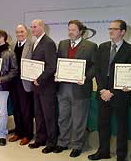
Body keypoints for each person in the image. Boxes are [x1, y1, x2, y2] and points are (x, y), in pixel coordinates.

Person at [88, 20, 131, 161]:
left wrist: (112, 91)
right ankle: (103, 152)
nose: (111, 31)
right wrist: (103, 89)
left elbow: (129, 74)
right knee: (102, 124)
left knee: (122, 126)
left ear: (123, 32)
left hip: (120, 94)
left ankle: (121, 156)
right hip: (103, 93)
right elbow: (97, 70)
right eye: (110, 28)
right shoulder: (102, 47)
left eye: (114, 29)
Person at [56, 20, 98, 158]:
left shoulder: (91, 46)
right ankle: (62, 142)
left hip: (80, 87)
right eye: (69, 29)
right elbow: (58, 62)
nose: (70, 32)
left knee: (79, 119)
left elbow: (95, 66)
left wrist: (85, 77)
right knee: (63, 117)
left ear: (81, 31)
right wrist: (57, 73)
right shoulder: (62, 44)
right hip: (63, 87)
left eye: (73, 30)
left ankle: (77, 145)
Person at [28, 19, 58, 154]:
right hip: (36, 86)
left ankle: (51, 142)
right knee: (38, 114)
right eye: (31, 27)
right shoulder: (36, 42)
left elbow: (52, 66)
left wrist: (39, 79)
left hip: (46, 86)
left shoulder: (49, 43)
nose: (32, 29)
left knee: (49, 116)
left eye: (35, 27)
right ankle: (40, 139)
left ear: (42, 27)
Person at [9, 24, 34, 145]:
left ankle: (27, 134)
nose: (19, 34)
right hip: (13, 82)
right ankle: (18, 132)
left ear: (26, 32)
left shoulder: (32, 45)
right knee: (16, 109)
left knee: (26, 110)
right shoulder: (12, 45)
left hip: (25, 82)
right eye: (17, 32)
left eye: (22, 31)